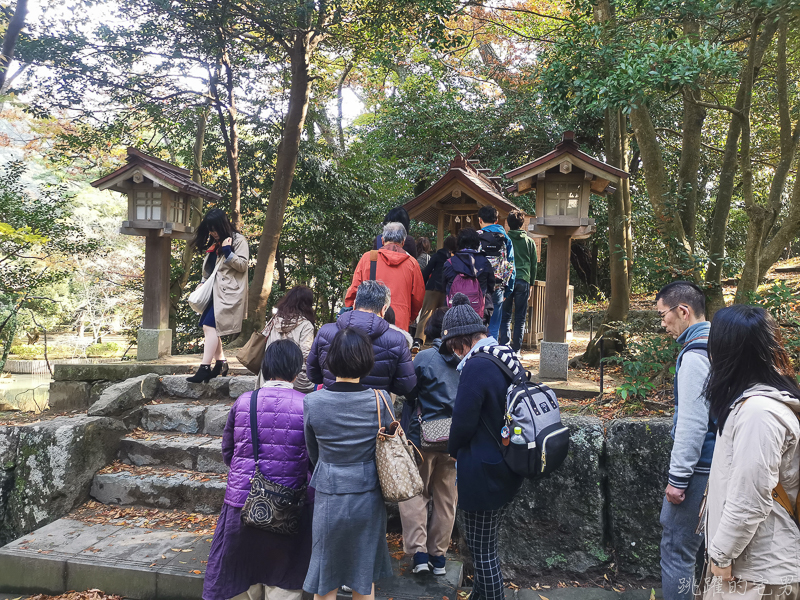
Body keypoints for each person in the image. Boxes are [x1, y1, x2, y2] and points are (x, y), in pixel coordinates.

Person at [703, 304, 799, 599]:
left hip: (757, 572)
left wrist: (720, 555)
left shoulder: (758, 412)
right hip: (752, 564)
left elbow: (751, 498)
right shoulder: (754, 404)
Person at [203, 339, 312, 600]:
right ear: (296, 370)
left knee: (244, 578)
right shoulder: (307, 405)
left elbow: (229, 452)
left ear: (266, 367)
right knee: (283, 581)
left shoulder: (244, 402)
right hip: (290, 507)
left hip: (243, 503)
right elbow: (312, 459)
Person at [303, 327, 395, 600]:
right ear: (367, 360)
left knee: (325, 579)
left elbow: (313, 452)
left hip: (329, 491)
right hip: (368, 494)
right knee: (363, 580)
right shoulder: (381, 399)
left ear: (331, 360)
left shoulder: (313, 402)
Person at [445, 293, 524, 600]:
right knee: (487, 545)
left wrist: (452, 449)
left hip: (484, 472)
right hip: (507, 462)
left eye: (453, 348)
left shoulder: (476, 366)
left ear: (459, 342)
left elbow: (462, 422)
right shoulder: (503, 353)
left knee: (482, 553)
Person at [655, 281, 714, 600]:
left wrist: (678, 480)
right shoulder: (722, 343)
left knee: (677, 552)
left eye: (663, 314)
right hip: (724, 464)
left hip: (699, 472)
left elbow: (693, 423)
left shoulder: (694, 356)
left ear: (683, 311)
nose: (663, 323)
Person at [399, 307, 460, 576]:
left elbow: (409, 393)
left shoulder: (424, 358)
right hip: (454, 439)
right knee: (447, 498)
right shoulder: (465, 360)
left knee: (416, 493)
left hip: (423, 437)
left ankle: (419, 554)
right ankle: (439, 558)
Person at [307, 280, 416, 395]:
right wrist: (385, 386)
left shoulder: (326, 332)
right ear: (383, 309)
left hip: (331, 403)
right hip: (374, 407)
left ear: (354, 305)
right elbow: (406, 384)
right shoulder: (397, 339)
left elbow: (313, 375)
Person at [187, 208, 249, 383]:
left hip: (229, 293)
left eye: (215, 229)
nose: (212, 233)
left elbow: (243, 265)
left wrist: (228, 251)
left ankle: (205, 367)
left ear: (223, 225)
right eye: (210, 229)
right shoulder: (215, 243)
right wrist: (203, 281)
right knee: (211, 327)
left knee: (210, 327)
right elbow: (211, 269)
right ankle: (221, 362)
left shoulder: (238, 241)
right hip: (214, 291)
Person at [345, 222, 425, 332]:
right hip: (400, 322)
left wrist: (350, 310)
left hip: (368, 321)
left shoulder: (368, 258)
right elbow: (418, 297)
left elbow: (355, 289)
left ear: (382, 240)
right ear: (403, 242)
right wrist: (410, 317)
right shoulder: (412, 264)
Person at [257, 285, 316, 393]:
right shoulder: (306, 325)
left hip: (269, 375)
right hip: (295, 378)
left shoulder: (274, 320)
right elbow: (306, 353)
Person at [499, 210, 537, 352]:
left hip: (508, 279)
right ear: (522, 223)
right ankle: (516, 350)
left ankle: (504, 347)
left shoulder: (505, 240)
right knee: (520, 317)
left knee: (505, 315)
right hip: (523, 279)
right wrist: (531, 284)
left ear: (508, 224)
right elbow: (534, 265)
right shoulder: (529, 242)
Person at [476, 206, 515, 341]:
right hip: (498, 286)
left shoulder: (476, 237)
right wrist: (508, 290)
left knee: (478, 325)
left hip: (478, 287)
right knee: (494, 327)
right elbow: (511, 265)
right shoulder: (505, 238)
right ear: (497, 220)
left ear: (480, 220)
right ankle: (491, 353)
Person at [442, 228, 495, 317]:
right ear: (477, 243)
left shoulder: (449, 263)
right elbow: (491, 286)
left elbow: (444, 287)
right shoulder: (485, 262)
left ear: (458, 244)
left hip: (453, 313)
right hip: (479, 313)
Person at [417, 236, 457, 345]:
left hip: (433, 287)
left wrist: (422, 286)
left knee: (426, 313)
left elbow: (426, 272)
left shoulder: (437, 255)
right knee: (444, 316)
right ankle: (441, 341)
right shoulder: (456, 259)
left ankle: (419, 340)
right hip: (447, 289)